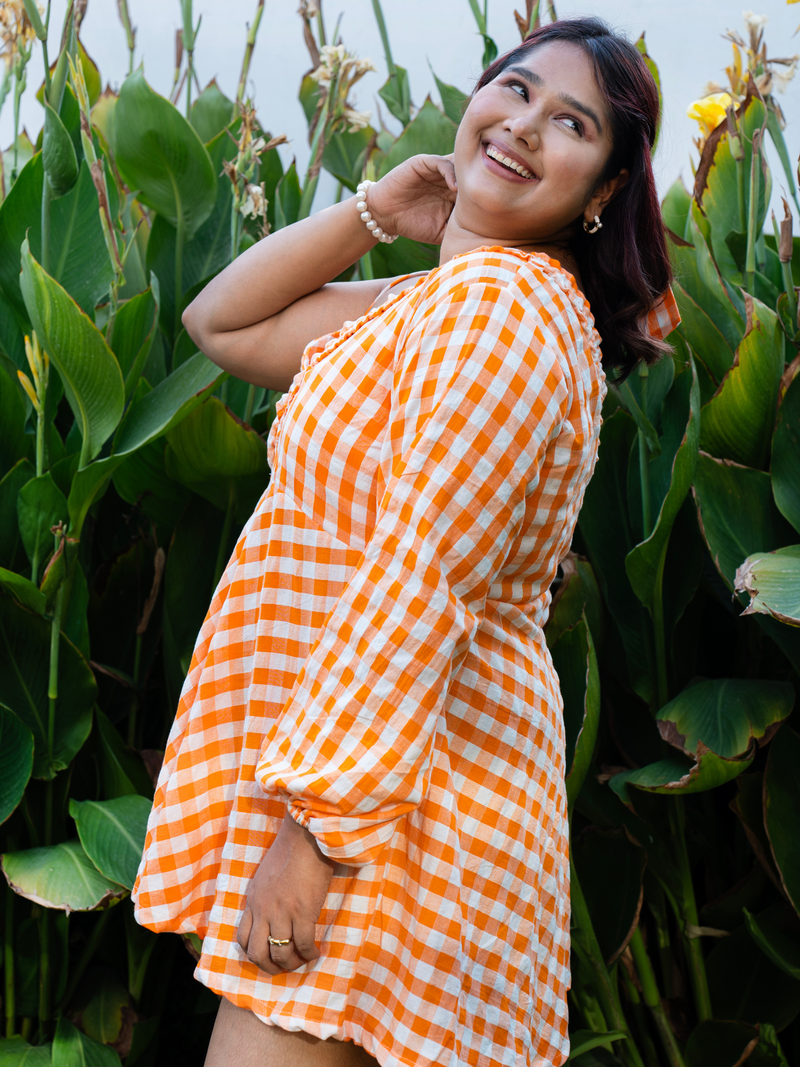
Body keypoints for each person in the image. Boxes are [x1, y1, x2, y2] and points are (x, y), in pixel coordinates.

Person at [133, 16, 679, 1067]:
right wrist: (378, 210)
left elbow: (417, 574)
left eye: (568, 123)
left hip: (384, 812)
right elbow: (223, 325)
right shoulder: (434, 301)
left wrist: (313, 838)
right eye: (512, 91)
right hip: (361, 787)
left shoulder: (504, 316)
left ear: (602, 188)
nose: (521, 126)